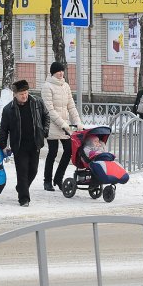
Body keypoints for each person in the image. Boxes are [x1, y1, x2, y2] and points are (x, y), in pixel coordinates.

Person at [0, 79, 50, 206]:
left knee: (33, 171)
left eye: (26, 92)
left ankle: (21, 187)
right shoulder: (8, 109)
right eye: (21, 93)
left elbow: (46, 116)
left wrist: (44, 131)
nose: (25, 95)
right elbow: (4, 128)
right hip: (19, 145)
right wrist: (3, 144)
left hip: (34, 144)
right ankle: (24, 198)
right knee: (22, 172)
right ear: (15, 94)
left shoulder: (37, 102)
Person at [41, 62, 83, 192]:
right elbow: (50, 110)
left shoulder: (66, 86)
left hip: (65, 126)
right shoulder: (47, 87)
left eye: (62, 71)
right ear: (53, 72)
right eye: (58, 71)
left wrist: (78, 121)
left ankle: (58, 178)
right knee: (52, 152)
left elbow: (71, 106)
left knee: (69, 150)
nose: (61, 73)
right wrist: (63, 123)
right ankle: (47, 181)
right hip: (52, 125)